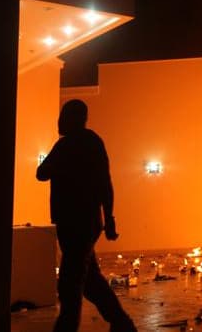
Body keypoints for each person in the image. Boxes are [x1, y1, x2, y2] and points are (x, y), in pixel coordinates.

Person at [37, 99, 136, 332]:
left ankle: (68, 328)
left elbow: (41, 172)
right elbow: (105, 184)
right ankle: (122, 324)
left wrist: (109, 218)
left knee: (70, 285)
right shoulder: (91, 143)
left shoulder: (68, 145)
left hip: (76, 225)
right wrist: (108, 219)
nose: (59, 121)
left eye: (63, 116)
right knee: (90, 281)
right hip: (84, 223)